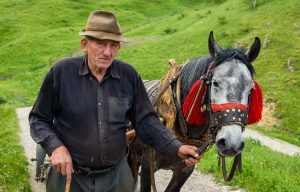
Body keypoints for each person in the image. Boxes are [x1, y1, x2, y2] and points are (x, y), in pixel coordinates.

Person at [29, 10, 200, 192]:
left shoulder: (129, 76)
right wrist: (56, 148)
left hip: (116, 178)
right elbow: (38, 119)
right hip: (69, 177)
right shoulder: (61, 73)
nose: (108, 52)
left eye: (114, 45)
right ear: (85, 45)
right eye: (101, 44)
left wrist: (176, 147)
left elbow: (146, 121)